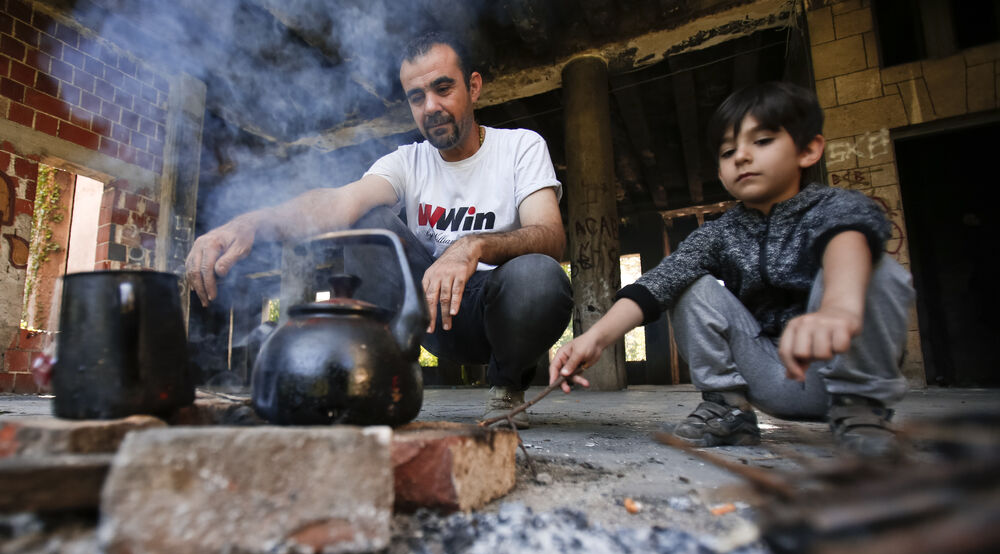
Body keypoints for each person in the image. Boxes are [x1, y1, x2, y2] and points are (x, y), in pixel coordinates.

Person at [186, 31, 572, 427]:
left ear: (473, 87)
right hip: (426, 314)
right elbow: (339, 202)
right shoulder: (407, 161)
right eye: (417, 97)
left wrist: (470, 246)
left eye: (443, 88)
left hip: (498, 308)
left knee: (540, 275)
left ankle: (506, 386)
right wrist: (253, 223)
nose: (431, 107)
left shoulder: (521, 147)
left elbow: (550, 235)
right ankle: (383, 369)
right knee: (368, 223)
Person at [549, 81, 915, 455]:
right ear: (721, 173)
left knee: (875, 266)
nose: (741, 156)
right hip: (768, 375)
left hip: (836, 368)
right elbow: (659, 283)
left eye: (762, 141)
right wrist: (592, 339)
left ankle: (862, 409)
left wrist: (837, 309)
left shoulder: (836, 206)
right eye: (728, 151)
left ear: (809, 150)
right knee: (687, 284)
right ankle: (728, 411)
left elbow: (846, 239)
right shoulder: (719, 234)